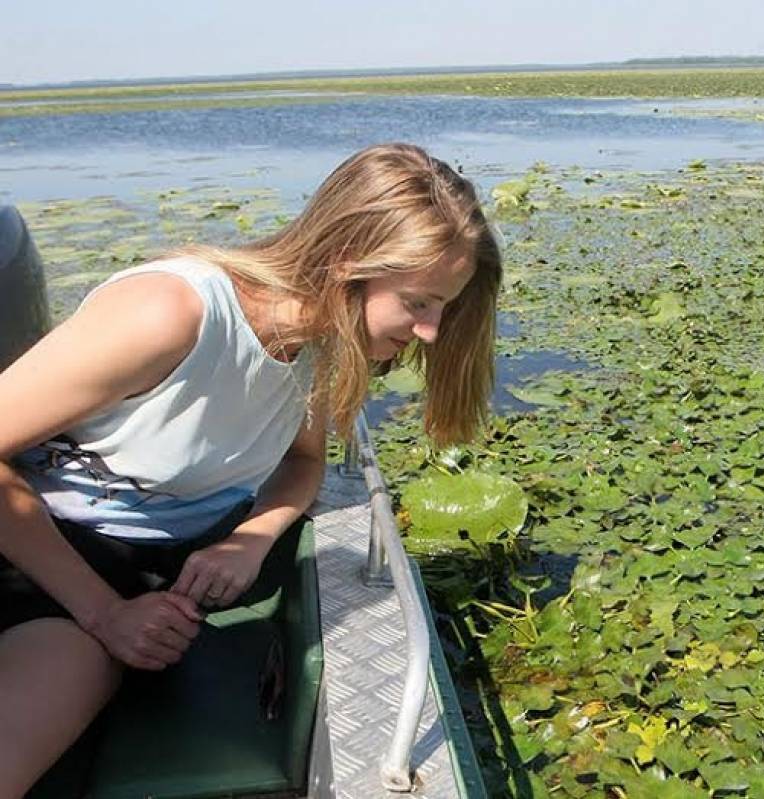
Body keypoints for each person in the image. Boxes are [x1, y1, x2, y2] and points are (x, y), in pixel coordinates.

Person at [0, 143, 502, 796]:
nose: (431, 331)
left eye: (443, 307)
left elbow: (302, 463)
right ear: (346, 260)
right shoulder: (171, 315)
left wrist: (252, 536)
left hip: (157, 570)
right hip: (43, 560)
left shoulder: (322, 349)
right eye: (419, 302)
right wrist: (102, 614)